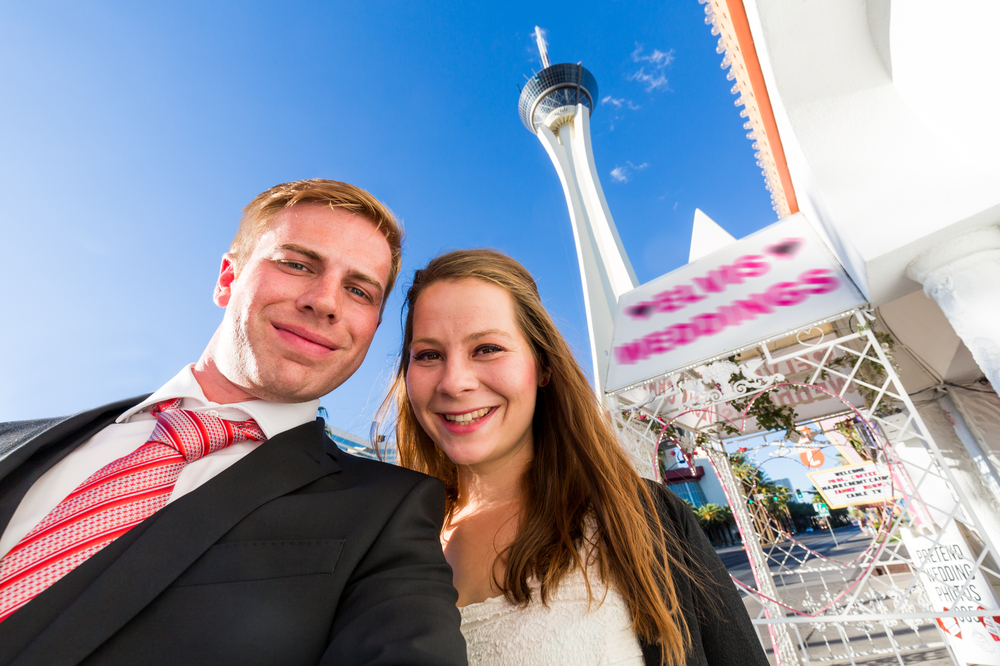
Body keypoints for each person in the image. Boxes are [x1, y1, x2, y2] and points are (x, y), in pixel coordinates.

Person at [0, 180, 468, 666]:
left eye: (358, 290)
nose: (325, 301)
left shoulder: (389, 510)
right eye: (297, 264)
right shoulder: (13, 438)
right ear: (228, 278)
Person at [377, 249, 767, 666]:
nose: (454, 382)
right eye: (429, 355)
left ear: (542, 366)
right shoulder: (392, 539)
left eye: (487, 348)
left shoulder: (635, 519)